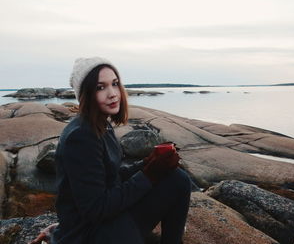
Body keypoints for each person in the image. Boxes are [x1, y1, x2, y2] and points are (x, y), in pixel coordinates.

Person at [48, 57, 191, 244]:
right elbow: (96, 209)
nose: (112, 94)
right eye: (101, 87)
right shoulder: (81, 137)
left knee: (176, 177)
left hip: (103, 225)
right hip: (91, 235)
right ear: (85, 94)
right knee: (177, 181)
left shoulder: (99, 125)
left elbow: (111, 177)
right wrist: (149, 175)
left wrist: (149, 163)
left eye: (115, 84)